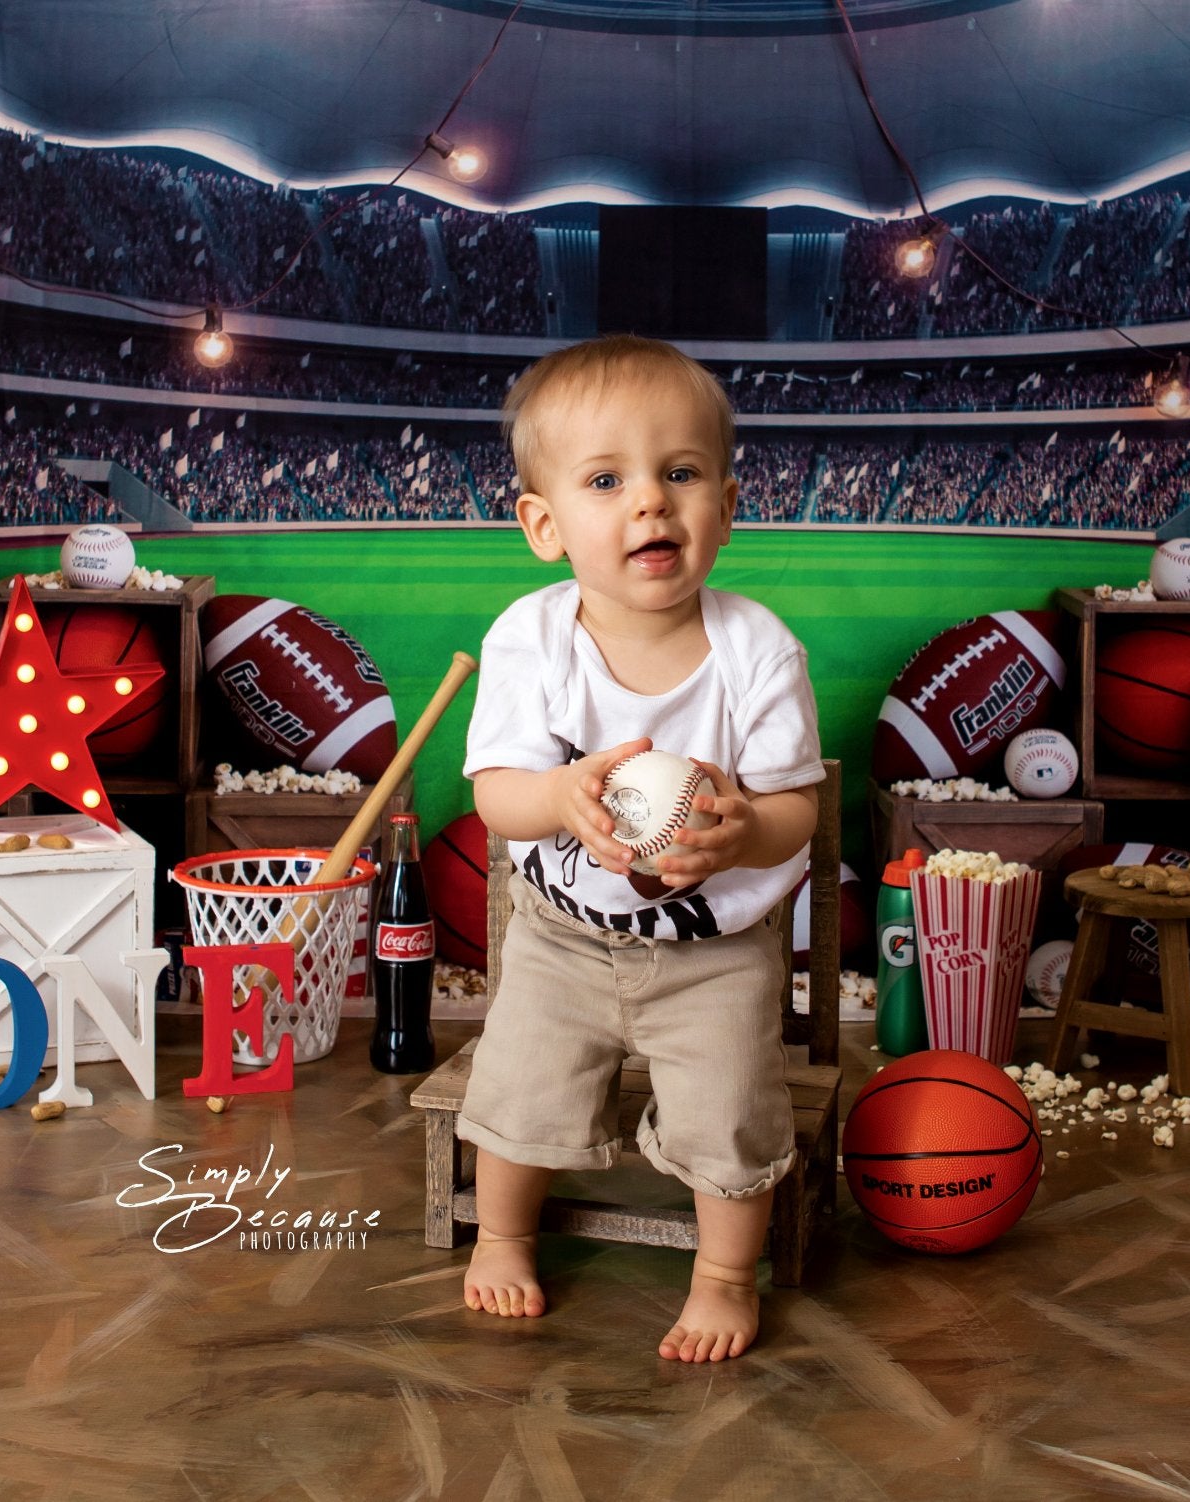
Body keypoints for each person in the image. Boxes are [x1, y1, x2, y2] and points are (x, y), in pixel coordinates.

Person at [457, 333, 824, 1362]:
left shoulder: (757, 648)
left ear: (727, 504)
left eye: (680, 473)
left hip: (713, 950)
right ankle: (502, 1234)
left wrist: (746, 825)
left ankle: (720, 1276)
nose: (649, 503)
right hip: (562, 936)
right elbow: (495, 796)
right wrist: (560, 796)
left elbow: (797, 807)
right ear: (543, 524)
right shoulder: (528, 640)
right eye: (606, 478)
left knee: (730, 1113)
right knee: (517, 1088)